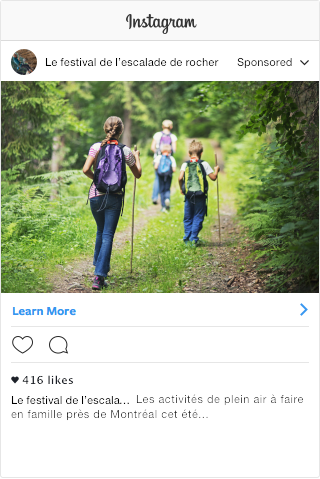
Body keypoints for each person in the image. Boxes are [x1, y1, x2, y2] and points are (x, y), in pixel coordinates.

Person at [83, 116, 142, 290]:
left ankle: (98, 265)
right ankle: (99, 276)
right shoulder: (125, 151)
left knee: (100, 230)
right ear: (120, 131)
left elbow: (85, 169)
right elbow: (137, 174)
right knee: (108, 234)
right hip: (114, 197)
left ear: (105, 129)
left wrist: (98, 181)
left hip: (96, 196)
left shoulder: (95, 147)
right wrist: (137, 157)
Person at [178, 140, 220, 246]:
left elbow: (179, 178)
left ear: (189, 154)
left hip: (188, 195)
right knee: (198, 216)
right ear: (201, 153)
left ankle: (187, 239)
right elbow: (213, 178)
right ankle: (194, 239)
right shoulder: (204, 164)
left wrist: (181, 189)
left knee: (188, 217)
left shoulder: (185, 164)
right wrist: (216, 170)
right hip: (200, 195)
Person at [150, 120, 177, 204]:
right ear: (171, 127)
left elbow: (152, 147)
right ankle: (166, 197)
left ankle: (155, 198)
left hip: (158, 160)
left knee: (157, 178)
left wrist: (158, 154)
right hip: (169, 161)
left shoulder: (157, 135)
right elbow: (174, 150)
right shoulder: (173, 137)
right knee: (168, 179)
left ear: (162, 126)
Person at [154, 144, 176, 212]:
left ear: (161, 150)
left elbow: (156, 167)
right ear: (170, 151)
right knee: (167, 189)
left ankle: (163, 206)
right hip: (168, 176)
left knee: (161, 190)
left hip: (160, 176)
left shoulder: (159, 157)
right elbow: (174, 169)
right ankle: (167, 199)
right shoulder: (171, 158)